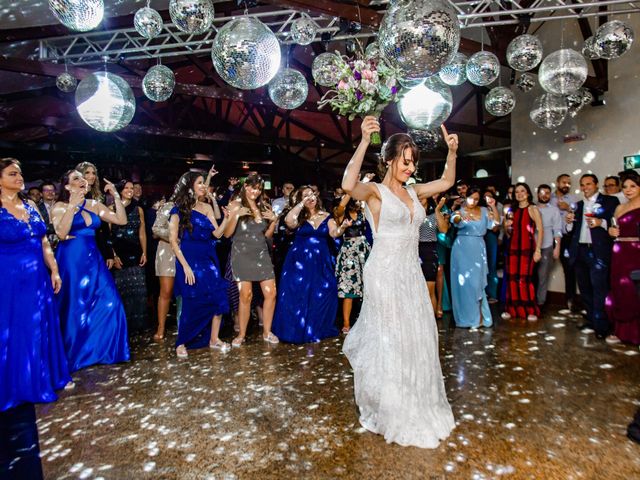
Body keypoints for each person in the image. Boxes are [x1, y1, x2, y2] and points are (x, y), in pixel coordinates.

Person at [342, 118, 457, 448]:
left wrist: (451, 152)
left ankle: (414, 400)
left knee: (416, 337)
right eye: (405, 161)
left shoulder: (414, 191)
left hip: (410, 273)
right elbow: (349, 184)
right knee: (391, 338)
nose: (410, 167)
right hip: (384, 272)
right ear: (389, 159)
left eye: (414, 162)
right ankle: (391, 408)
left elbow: (447, 181)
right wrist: (364, 140)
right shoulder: (374, 193)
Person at [0, 159, 71, 448]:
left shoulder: (30, 206)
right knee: (14, 332)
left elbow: (43, 243)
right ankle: (16, 385)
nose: (20, 177)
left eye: (20, 172)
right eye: (12, 173)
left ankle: (41, 378)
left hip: (37, 277)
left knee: (39, 328)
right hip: (8, 280)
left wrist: (53, 269)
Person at [52, 170, 130, 372]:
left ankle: (103, 351)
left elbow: (121, 220)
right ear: (67, 186)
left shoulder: (94, 205)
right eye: (76, 178)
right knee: (75, 308)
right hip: (71, 260)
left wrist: (116, 196)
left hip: (93, 259)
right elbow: (61, 233)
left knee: (112, 303)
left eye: (83, 178)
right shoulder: (60, 206)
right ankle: (76, 355)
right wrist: (72, 206)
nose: (83, 181)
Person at [272, 187, 346, 343]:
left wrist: (342, 228)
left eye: (312, 194)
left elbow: (333, 233)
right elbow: (288, 222)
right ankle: (295, 328)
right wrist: (301, 204)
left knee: (323, 291)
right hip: (299, 261)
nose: (310, 197)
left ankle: (316, 326)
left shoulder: (327, 216)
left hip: (321, 262)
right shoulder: (299, 218)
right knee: (298, 293)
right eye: (305, 195)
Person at [169, 172, 230, 358]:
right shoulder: (179, 209)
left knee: (218, 296)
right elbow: (173, 240)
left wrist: (226, 219)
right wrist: (186, 267)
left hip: (208, 258)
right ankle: (182, 342)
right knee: (192, 301)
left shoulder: (207, 207)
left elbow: (218, 234)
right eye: (200, 183)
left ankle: (214, 339)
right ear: (190, 186)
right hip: (189, 258)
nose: (204, 186)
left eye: (204, 183)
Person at [224, 173, 279, 347]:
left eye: (258, 189)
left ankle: (267, 332)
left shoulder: (264, 207)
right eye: (252, 187)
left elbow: (267, 236)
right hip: (241, 255)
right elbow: (227, 234)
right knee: (245, 296)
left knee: (271, 293)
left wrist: (273, 222)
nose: (255, 191)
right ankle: (241, 335)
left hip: (262, 254)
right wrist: (236, 215)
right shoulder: (235, 204)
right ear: (245, 186)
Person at [566, 174, 619, 339]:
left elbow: (616, 225)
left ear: (596, 185)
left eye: (588, 184)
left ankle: (602, 325)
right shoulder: (578, 205)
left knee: (600, 288)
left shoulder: (610, 201)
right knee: (585, 288)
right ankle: (590, 319)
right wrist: (568, 221)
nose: (585, 187)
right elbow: (570, 231)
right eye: (582, 185)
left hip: (598, 251)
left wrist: (600, 223)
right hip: (580, 250)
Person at [450, 187, 499, 328]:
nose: (474, 201)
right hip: (461, 249)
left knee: (476, 284)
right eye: (471, 198)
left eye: (477, 199)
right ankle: (466, 318)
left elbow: (495, 226)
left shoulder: (484, 211)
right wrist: (460, 217)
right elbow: (456, 220)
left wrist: (493, 207)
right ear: (466, 197)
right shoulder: (460, 211)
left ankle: (480, 317)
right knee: (463, 285)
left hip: (478, 249)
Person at [605, 171, 640, 345]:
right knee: (619, 290)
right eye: (625, 187)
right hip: (619, 252)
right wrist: (611, 232)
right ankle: (621, 331)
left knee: (634, 291)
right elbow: (613, 228)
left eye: (633, 186)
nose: (628, 190)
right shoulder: (619, 208)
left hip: (636, 252)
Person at [502, 183, 543, 321]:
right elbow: (508, 233)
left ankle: (530, 310)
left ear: (528, 193)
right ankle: (512, 309)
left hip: (527, 249)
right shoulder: (512, 210)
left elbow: (541, 230)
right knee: (512, 279)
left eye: (522, 191)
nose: (519, 194)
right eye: (517, 192)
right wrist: (506, 226)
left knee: (525, 280)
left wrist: (538, 250)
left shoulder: (533, 209)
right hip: (513, 248)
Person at [111, 180, 148, 335]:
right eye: (126, 188)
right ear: (120, 190)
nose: (130, 190)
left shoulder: (138, 209)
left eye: (132, 188)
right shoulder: (111, 209)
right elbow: (109, 235)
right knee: (122, 290)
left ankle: (138, 325)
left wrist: (144, 252)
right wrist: (113, 255)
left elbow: (142, 232)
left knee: (139, 290)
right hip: (120, 253)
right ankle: (124, 326)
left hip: (136, 252)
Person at [334, 191, 371, 334]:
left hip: (363, 250)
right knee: (348, 287)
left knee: (367, 286)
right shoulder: (342, 214)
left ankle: (366, 319)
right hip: (349, 251)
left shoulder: (363, 213)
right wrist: (350, 191)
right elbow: (341, 206)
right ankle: (346, 323)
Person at [76, 162, 115, 269]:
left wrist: (109, 253)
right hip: (79, 245)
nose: (91, 176)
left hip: (99, 244)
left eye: (93, 173)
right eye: (87, 173)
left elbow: (105, 227)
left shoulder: (99, 197)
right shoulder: (73, 196)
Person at [550, 173, 579, 311]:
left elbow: (579, 218)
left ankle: (570, 300)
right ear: (557, 183)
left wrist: (568, 207)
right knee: (541, 267)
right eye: (563, 182)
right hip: (549, 238)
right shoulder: (548, 198)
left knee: (569, 269)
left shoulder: (573, 199)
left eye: (569, 183)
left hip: (567, 239)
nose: (566, 185)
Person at [152, 199, 178, 341]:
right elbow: (156, 228)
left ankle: (185, 325)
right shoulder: (169, 206)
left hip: (188, 251)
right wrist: (175, 238)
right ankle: (161, 327)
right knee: (166, 291)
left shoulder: (196, 207)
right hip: (167, 249)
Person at [535, 184, 563, 310]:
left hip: (547, 246)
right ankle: (529, 301)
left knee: (543, 276)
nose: (545, 195)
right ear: (537, 194)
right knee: (530, 276)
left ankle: (540, 303)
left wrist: (557, 248)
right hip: (531, 247)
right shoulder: (532, 208)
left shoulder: (554, 210)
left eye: (547, 193)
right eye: (542, 192)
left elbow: (557, 230)